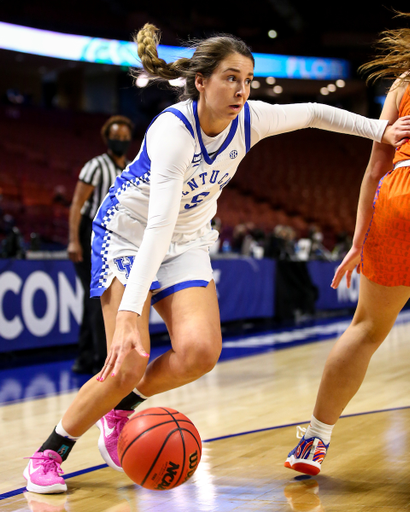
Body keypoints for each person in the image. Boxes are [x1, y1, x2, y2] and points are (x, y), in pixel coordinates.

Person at [23, 23, 410, 494]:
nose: (242, 90)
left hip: (186, 240)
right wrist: (128, 313)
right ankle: (50, 451)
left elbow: (311, 112)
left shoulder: (251, 118)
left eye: (247, 80)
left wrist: (380, 129)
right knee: (128, 358)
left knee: (201, 353)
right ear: (201, 82)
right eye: (230, 78)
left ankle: (121, 409)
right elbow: (157, 226)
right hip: (128, 236)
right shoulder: (173, 131)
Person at [285, 11, 410, 476]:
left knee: (366, 329)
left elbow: (377, 162)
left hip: (397, 199)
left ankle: (314, 439)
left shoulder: (404, 79)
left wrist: (360, 238)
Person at [68, 115, 134, 374]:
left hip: (116, 237)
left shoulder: (130, 167)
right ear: (106, 138)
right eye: (115, 137)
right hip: (90, 235)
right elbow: (76, 204)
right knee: (98, 297)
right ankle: (98, 359)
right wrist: (74, 240)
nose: (120, 141)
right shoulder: (95, 166)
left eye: (124, 137)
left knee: (95, 299)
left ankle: (85, 358)